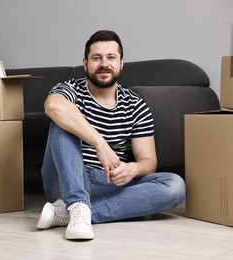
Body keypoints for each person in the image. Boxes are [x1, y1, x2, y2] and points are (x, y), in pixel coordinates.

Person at [36, 30, 186, 240]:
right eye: (96, 58)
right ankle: (76, 202)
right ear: (85, 63)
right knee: (63, 119)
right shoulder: (70, 90)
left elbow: (148, 161)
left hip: (110, 181)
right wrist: (100, 144)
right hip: (66, 179)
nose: (104, 64)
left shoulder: (135, 105)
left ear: (121, 63)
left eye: (111, 57)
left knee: (175, 186)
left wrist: (132, 169)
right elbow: (53, 106)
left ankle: (75, 213)